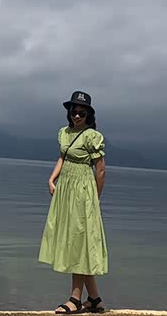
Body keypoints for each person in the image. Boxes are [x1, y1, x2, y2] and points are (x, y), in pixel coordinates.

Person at [38, 90, 108, 314]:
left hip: (82, 192)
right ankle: (94, 300)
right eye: (74, 111)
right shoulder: (64, 133)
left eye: (82, 113)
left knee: (78, 243)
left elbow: (100, 170)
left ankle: (75, 299)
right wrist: (52, 179)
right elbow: (63, 157)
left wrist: (95, 199)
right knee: (74, 240)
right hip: (65, 190)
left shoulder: (91, 136)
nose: (77, 116)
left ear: (88, 115)